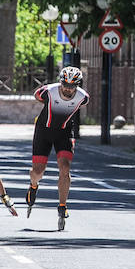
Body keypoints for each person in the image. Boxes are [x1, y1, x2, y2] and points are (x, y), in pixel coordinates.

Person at [27, 66, 89, 230]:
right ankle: (33, 185)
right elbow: (37, 96)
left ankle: (62, 205)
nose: (68, 89)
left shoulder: (83, 97)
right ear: (60, 82)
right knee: (38, 171)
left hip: (64, 132)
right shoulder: (49, 91)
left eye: (72, 86)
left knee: (65, 168)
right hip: (43, 131)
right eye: (65, 85)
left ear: (77, 85)